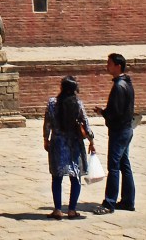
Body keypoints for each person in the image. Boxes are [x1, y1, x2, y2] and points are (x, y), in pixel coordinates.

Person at [43, 75, 95, 219]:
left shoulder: (52, 103)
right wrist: (91, 140)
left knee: (57, 177)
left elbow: (47, 123)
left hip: (57, 143)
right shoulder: (78, 104)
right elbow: (86, 124)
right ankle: (72, 210)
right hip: (74, 144)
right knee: (75, 176)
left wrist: (45, 139)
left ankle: (58, 209)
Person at [93, 53, 135, 214]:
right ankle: (128, 200)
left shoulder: (119, 86)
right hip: (127, 128)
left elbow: (115, 112)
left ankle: (109, 203)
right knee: (125, 165)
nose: (107, 66)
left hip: (119, 130)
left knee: (114, 167)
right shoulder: (127, 83)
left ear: (118, 66)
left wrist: (104, 113)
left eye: (109, 63)